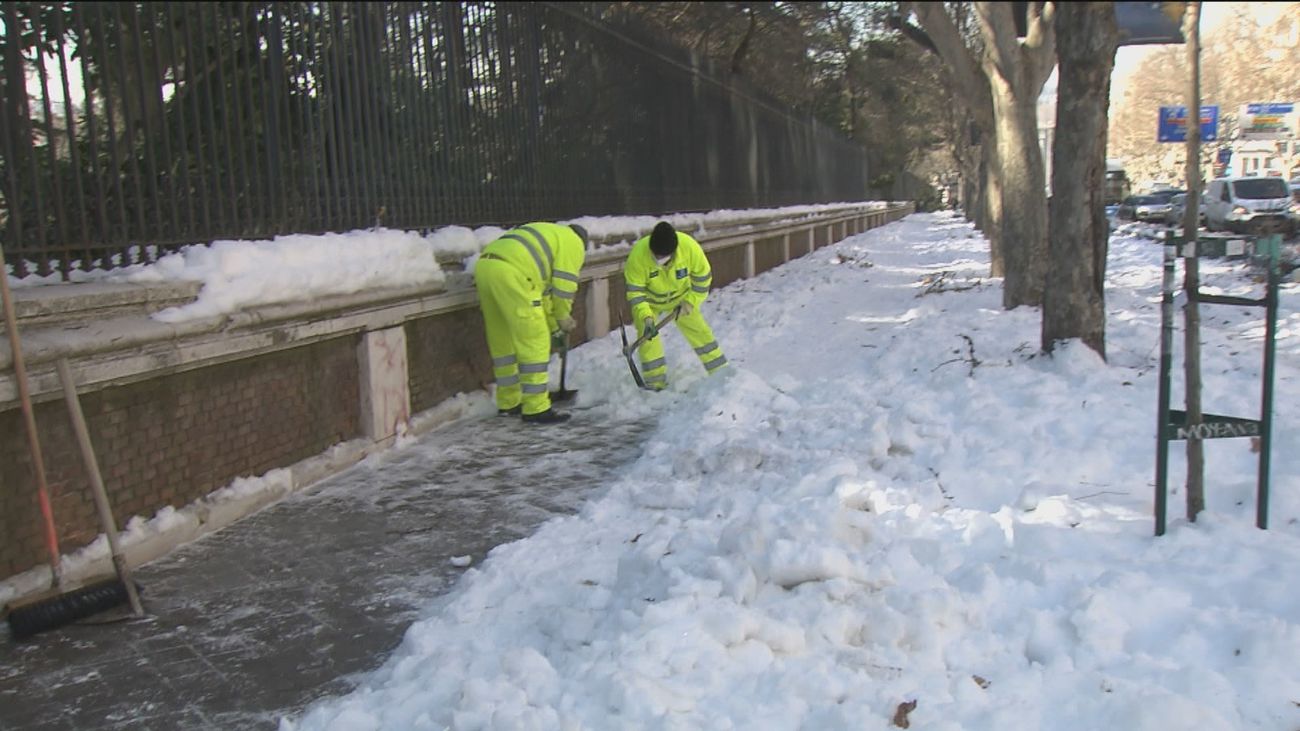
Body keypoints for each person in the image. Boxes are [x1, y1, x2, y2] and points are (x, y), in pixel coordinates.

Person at [474, 221, 587, 424]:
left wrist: (555, 329)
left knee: (503, 341)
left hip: (486, 267)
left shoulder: (549, 235)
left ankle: (509, 403)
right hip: (514, 274)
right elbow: (563, 288)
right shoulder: (574, 243)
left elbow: (543, 298)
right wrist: (563, 317)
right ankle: (536, 408)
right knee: (535, 340)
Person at [623, 221, 727, 390]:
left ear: (673, 252)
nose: (658, 259)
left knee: (701, 333)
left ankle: (721, 373)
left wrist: (690, 302)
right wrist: (646, 318)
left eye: (661, 256)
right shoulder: (637, 257)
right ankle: (655, 384)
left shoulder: (689, 248)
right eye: (655, 255)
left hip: (682, 299)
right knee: (648, 341)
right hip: (650, 304)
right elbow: (636, 295)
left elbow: (703, 281)